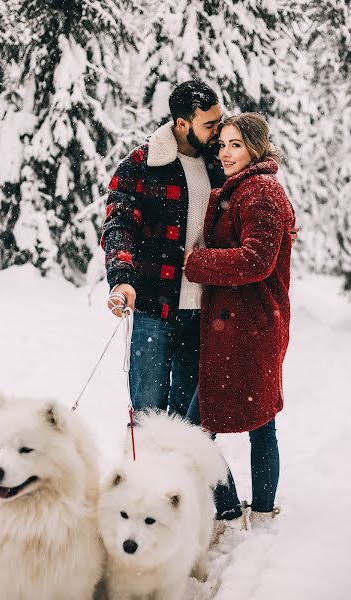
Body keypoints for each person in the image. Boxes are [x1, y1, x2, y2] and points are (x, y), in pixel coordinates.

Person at [183, 112, 296, 534]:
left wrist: (195, 263)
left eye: (236, 145)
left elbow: (255, 260)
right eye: (223, 144)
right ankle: (257, 510)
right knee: (260, 422)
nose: (226, 153)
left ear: (255, 148)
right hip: (245, 324)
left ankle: (232, 511)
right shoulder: (249, 188)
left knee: (199, 432)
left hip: (249, 328)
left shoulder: (260, 192)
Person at [101, 80, 225, 416]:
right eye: (209, 124)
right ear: (183, 123)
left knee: (189, 426)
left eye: (219, 120)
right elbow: (119, 225)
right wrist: (122, 278)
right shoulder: (142, 165)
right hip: (154, 307)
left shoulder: (222, 165)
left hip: (205, 312)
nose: (218, 130)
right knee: (148, 418)